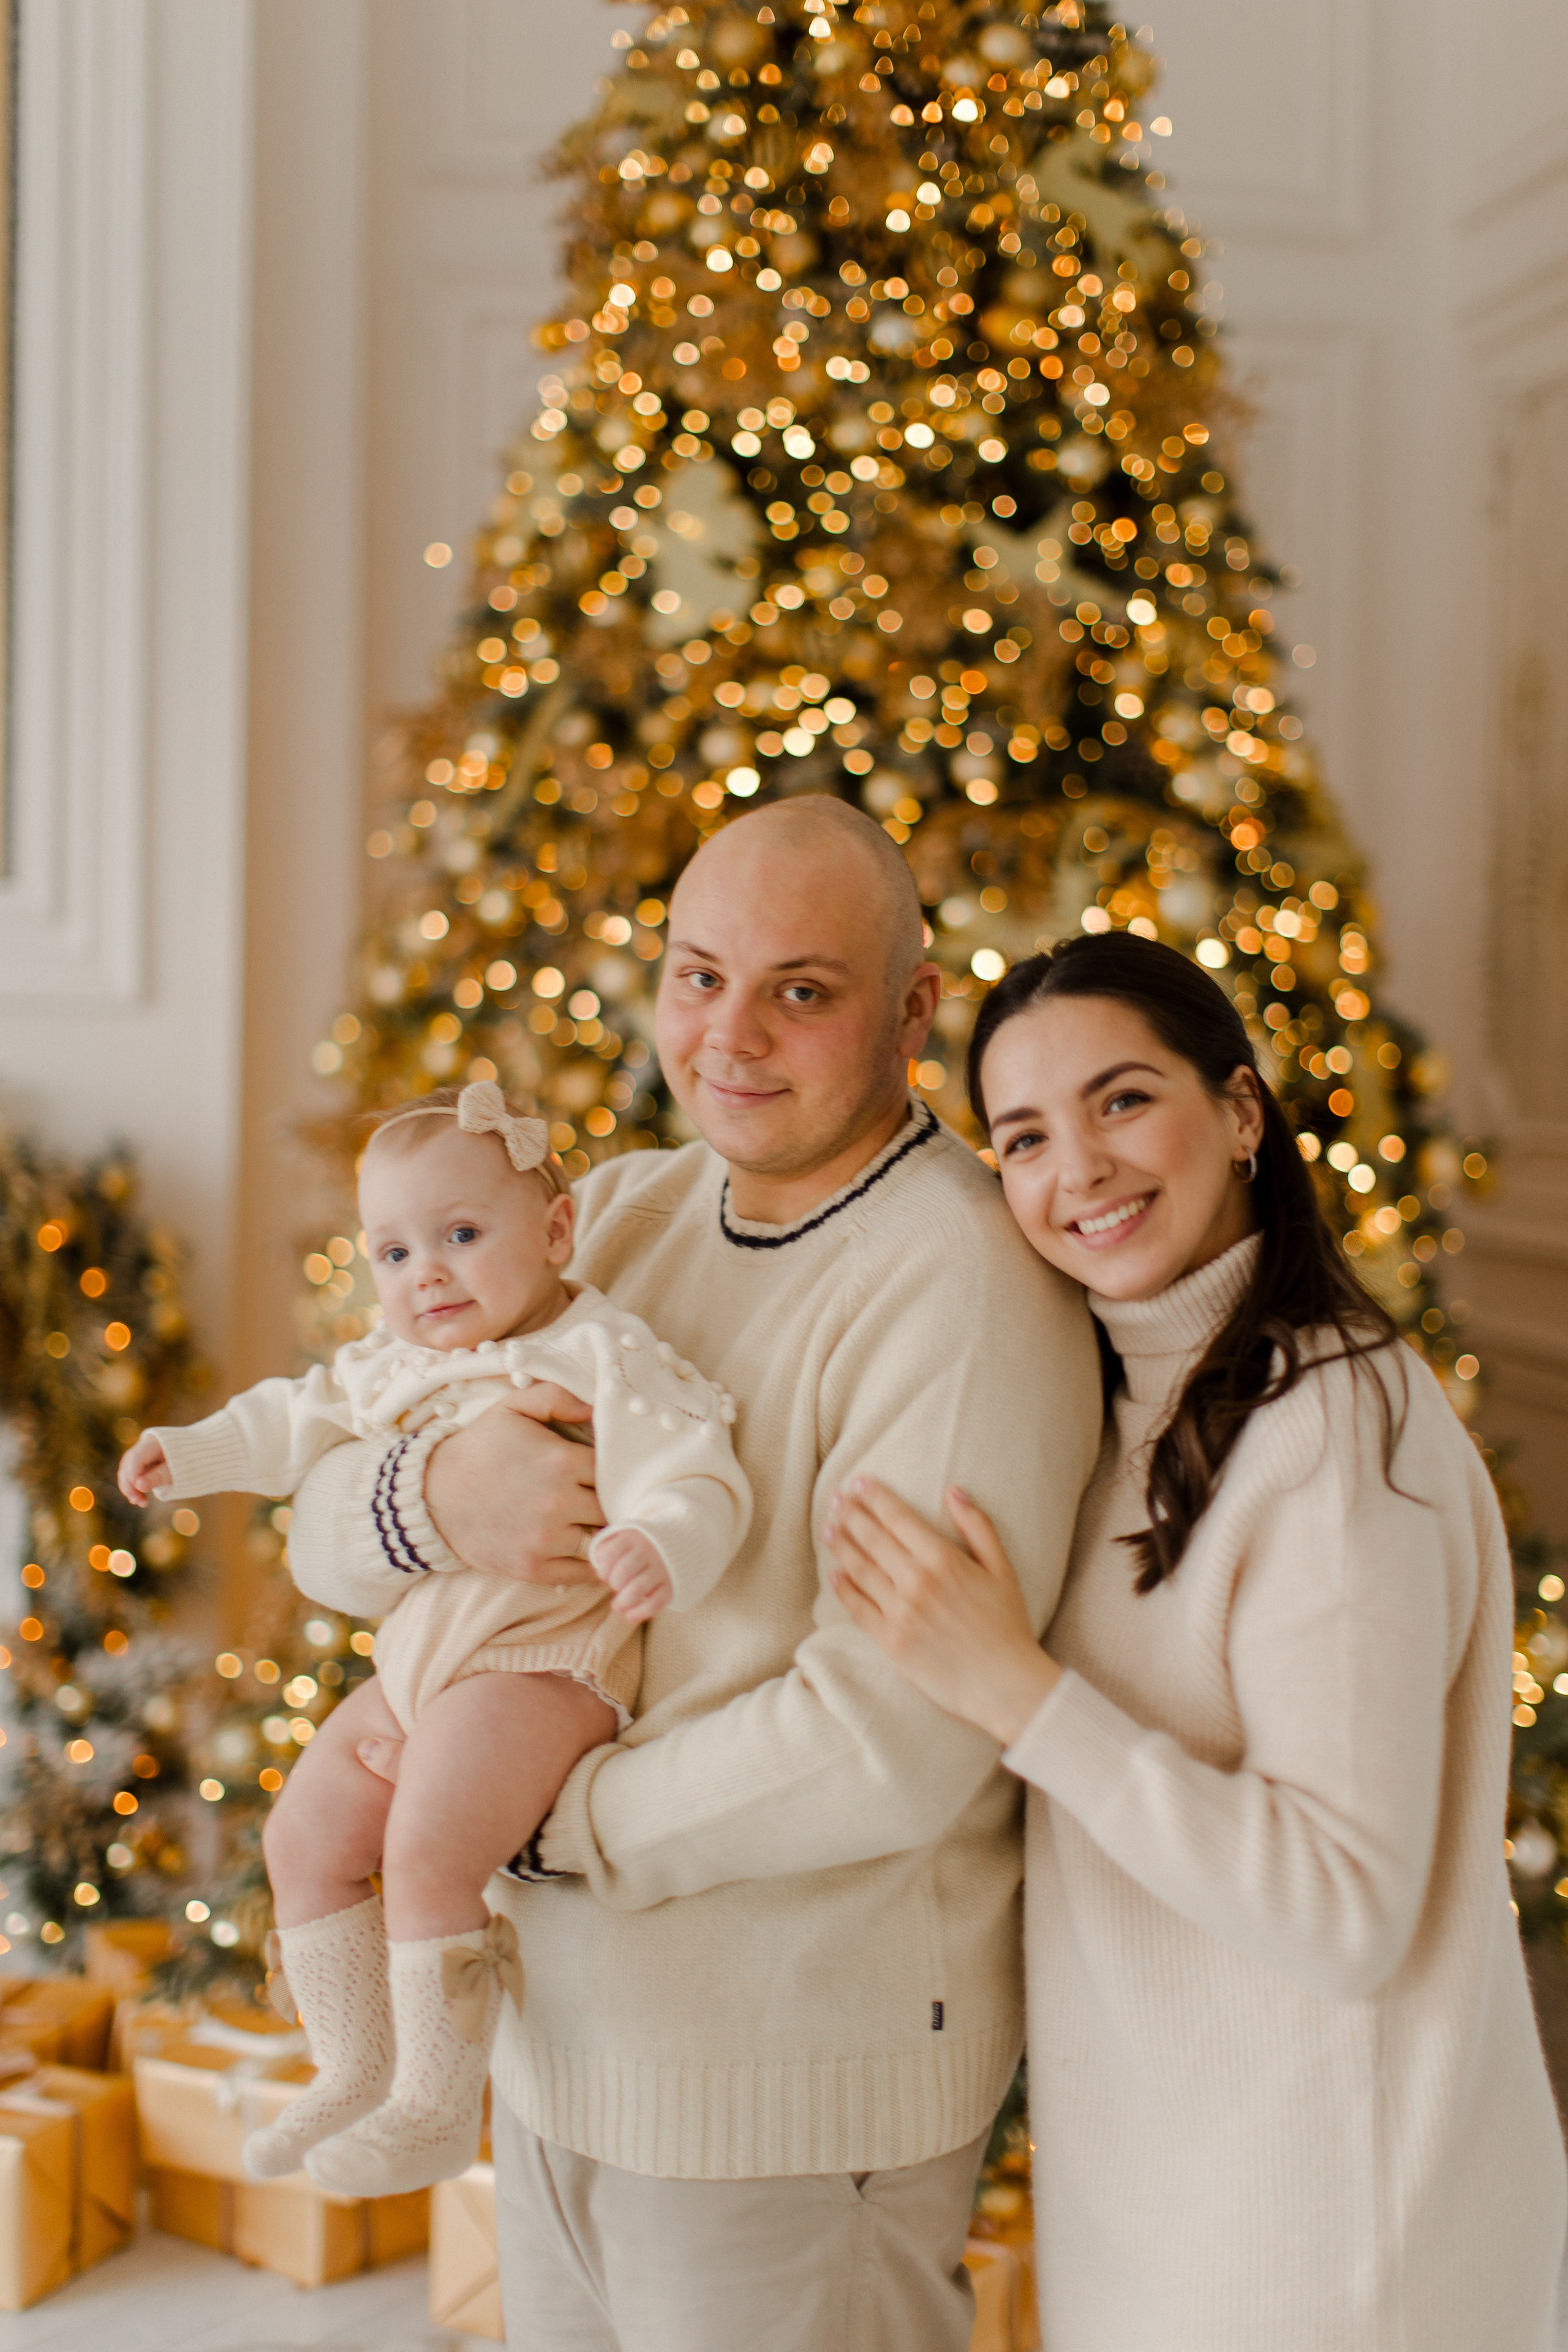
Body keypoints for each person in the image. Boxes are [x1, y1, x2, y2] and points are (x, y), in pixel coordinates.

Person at [282, 797, 1101, 2352]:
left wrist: (533, 1816)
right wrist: (431, 1496)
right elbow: (320, 1522)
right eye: (697, 975)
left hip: (789, 2096)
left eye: (802, 990)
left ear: (912, 1012)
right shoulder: (621, 1213)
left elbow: (884, 1738)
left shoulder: (960, 1281)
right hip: (559, 2054)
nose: (729, 1034)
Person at [826, 932, 1568, 2352]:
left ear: (1237, 1112)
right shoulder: (1121, 1401)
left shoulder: (1327, 1430)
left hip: (1333, 2242)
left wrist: (1020, 1695)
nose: (1077, 1170)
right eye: (1024, 1138)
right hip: (1173, 2199)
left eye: (1120, 1100)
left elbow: (1341, 1911)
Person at [118, 1080, 749, 2197]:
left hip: (540, 1666)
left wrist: (667, 1544)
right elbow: (293, 1418)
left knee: (425, 1850)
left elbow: (695, 1470)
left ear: (554, 1231)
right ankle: (351, 2064)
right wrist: (195, 1452)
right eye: (396, 1253)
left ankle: (437, 2105)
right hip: (420, 1672)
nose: (429, 1276)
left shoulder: (600, 1353)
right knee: (303, 1837)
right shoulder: (393, 1363)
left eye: (462, 1235)